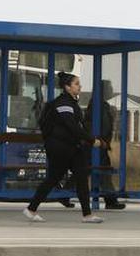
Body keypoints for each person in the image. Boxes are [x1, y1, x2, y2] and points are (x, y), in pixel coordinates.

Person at [22, 72, 103, 223]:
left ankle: (32, 209)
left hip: (68, 147)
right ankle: (32, 209)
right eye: (76, 84)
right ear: (67, 87)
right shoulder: (64, 103)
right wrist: (92, 140)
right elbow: (72, 126)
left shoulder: (70, 102)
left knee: (72, 177)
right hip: (62, 148)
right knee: (63, 178)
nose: (80, 86)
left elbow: (76, 126)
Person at [85, 80, 126, 210]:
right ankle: (111, 200)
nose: (112, 91)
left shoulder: (99, 104)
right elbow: (101, 126)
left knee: (86, 169)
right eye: (110, 88)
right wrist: (101, 140)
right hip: (97, 144)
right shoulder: (99, 105)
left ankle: (65, 193)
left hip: (98, 143)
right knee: (103, 171)